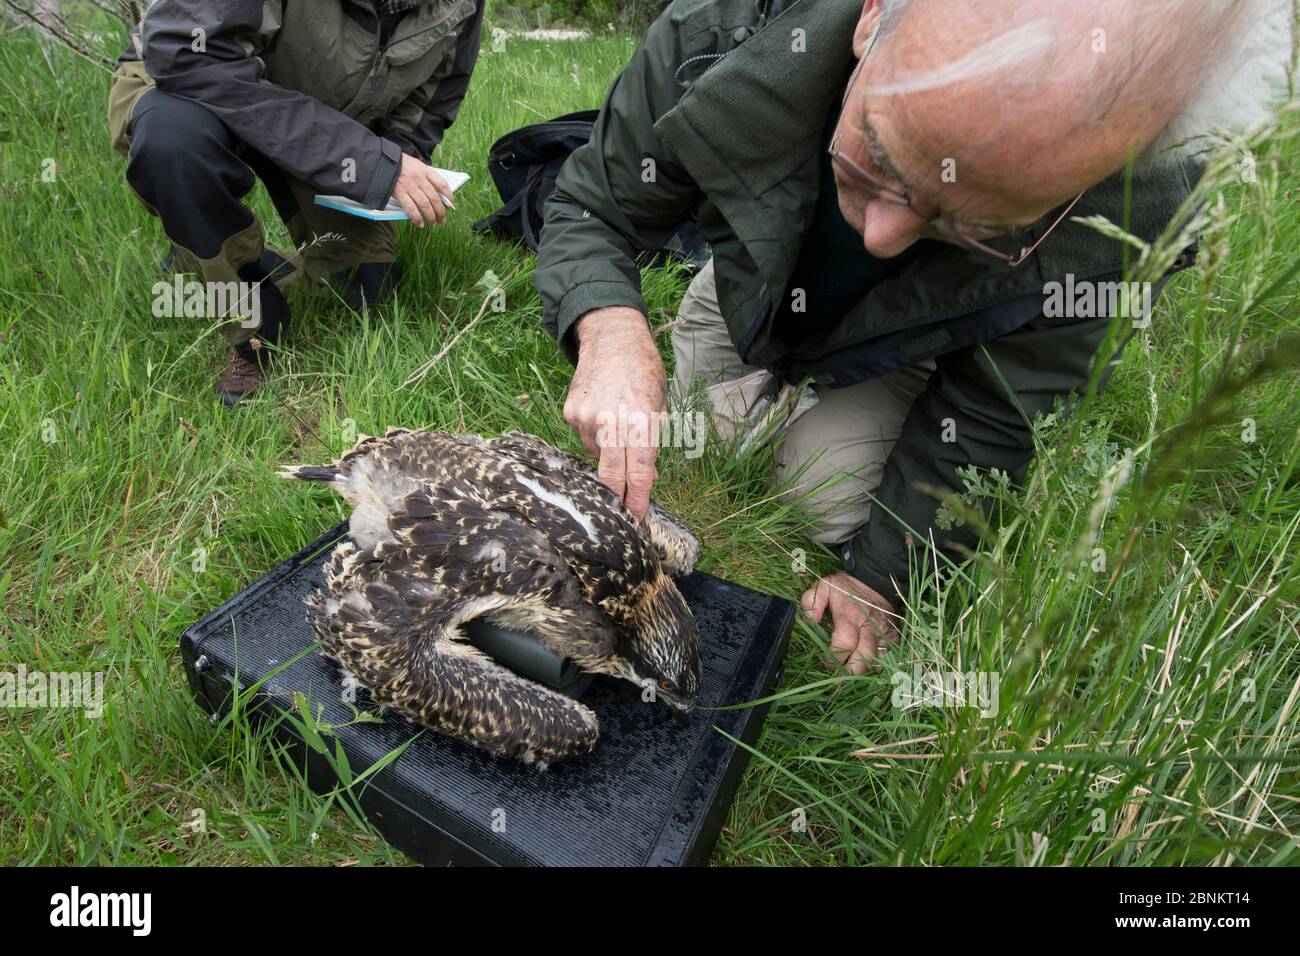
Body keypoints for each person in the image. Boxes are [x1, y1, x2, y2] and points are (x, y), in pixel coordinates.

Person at [534, 0, 1291, 672]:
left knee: (822, 499)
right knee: (700, 430)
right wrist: (610, 327)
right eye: (881, 158)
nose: (882, 236)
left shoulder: (1133, 213)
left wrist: (881, 577)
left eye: (976, 224)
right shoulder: (729, 28)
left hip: (903, 345)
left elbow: (1000, 407)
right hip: (755, 285)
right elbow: (597, 205)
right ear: (871, 18)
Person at [108, 0, 486, 405]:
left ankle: (251, 260)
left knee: (366, 289)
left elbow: (434, 96)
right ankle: (251, 329)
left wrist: (392, 162)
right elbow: (186, 51)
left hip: (313, 106)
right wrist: (367, 161)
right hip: (188, 85)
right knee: (176, 147)